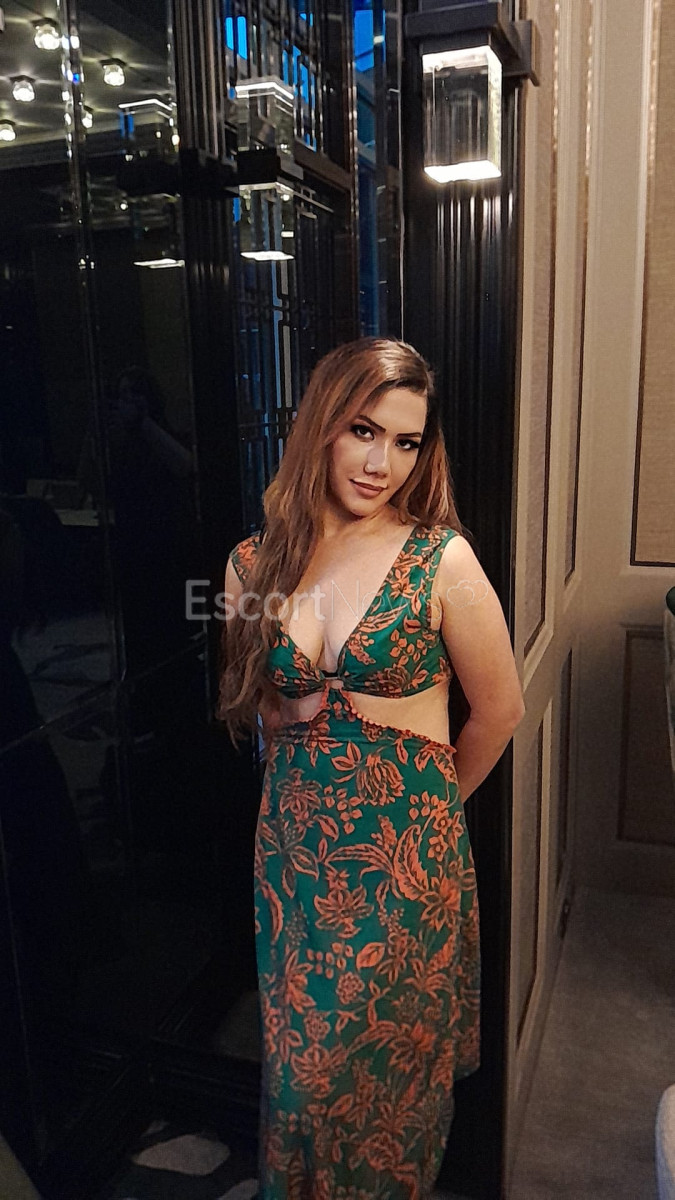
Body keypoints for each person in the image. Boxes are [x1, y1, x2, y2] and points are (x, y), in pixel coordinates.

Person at [218, 337, 525, 1199]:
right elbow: (268, 715)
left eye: (404, 441)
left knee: (384, 1083)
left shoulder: (439, 559)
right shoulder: (250, 565)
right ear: (321, 423)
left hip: (403, 869)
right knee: (300, 1079)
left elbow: (499, 710)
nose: (380, 462)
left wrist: (427, 817)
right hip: (295, 863)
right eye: (362, 430)